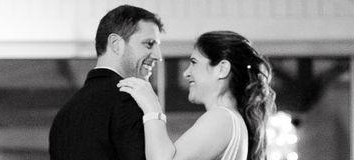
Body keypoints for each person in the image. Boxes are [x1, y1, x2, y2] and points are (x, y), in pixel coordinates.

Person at [118, 30, 275, 160]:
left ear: (222, 69)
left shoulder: (222, 118)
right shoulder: (230, 120)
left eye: (194, 62)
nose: (186, 73)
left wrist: (152, 108)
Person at [49, 4, 165, 160]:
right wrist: (154, 112)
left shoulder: (65, 115)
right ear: (116, 44)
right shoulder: (128, 99)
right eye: (149, 44)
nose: (158, 55)